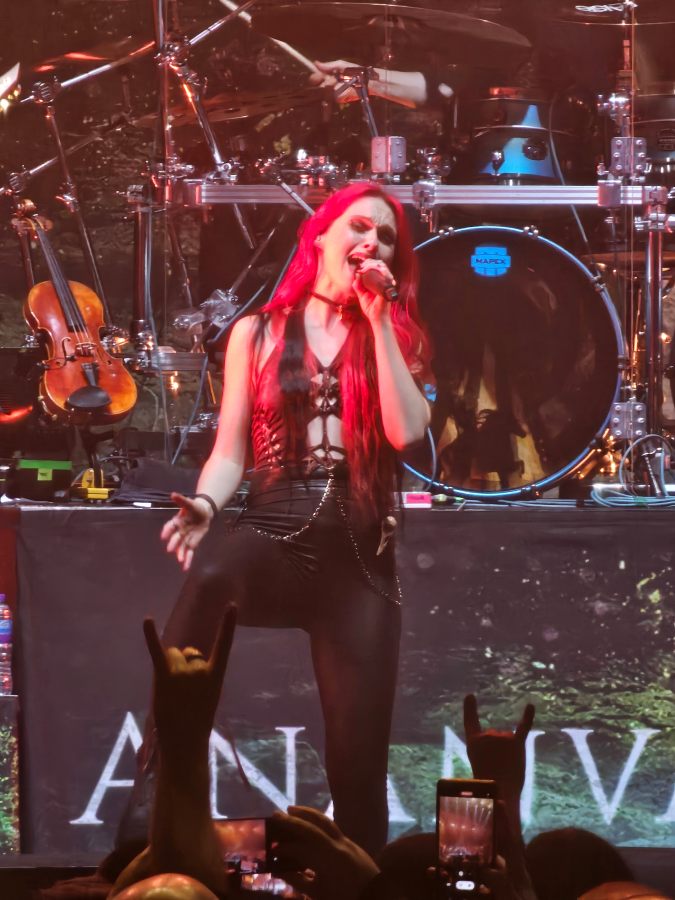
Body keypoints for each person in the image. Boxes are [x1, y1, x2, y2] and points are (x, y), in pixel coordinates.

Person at [118, 181, 431, 859]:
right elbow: (230, 450)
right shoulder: (256, 332)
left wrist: (379, 319)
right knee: (210, 580)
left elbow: (406, 432)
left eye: (385, 236)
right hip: (274, 526)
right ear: (320, 236)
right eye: (359, 227)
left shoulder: (393, 337)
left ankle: (360, 876)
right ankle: (150, 805)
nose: (371, 242)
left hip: (360, 553)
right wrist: (206, 505)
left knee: (358, 762)